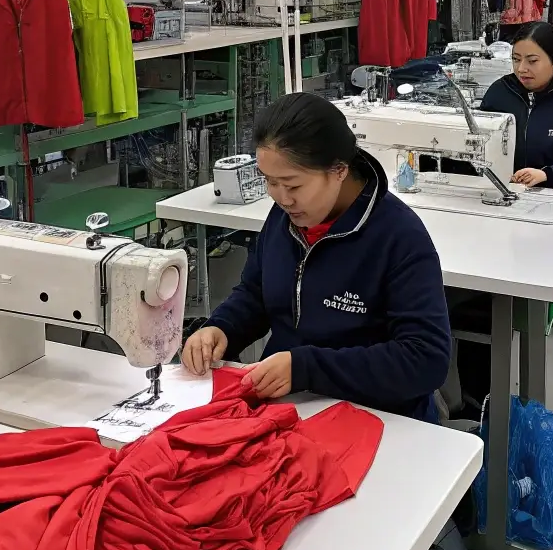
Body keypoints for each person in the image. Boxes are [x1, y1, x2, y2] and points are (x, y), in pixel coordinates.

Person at [181, 91, 451, 422]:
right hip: (290, 407)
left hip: (378, 417)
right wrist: (221, 329)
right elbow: (255, 294)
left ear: (338, 170)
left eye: (292, 185)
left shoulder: (399, 237)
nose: (280, 198)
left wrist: (306, 367)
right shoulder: (285, 218)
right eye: (270, 182)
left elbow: (425, 360)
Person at [479, 22, 553, 190]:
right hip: (499, 194)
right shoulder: (499, 93)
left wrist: (547, 174)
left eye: (532, 61)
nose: (521, 68)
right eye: (516, 60)